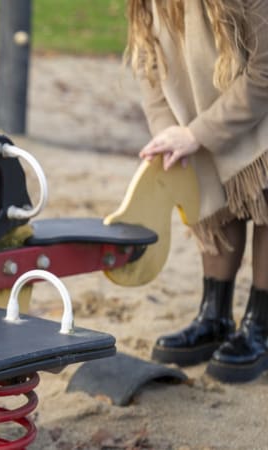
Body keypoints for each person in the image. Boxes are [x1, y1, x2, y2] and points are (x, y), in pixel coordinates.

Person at [125, 0, 268, 383]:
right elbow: (150, 70)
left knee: (267, 205)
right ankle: (215, 314)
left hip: (259, 110)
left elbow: (265, 71)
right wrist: (168, 134)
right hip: (205, 115)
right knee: (214, 203)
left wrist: (197, 133)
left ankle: (261, 324)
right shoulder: (148, 4)